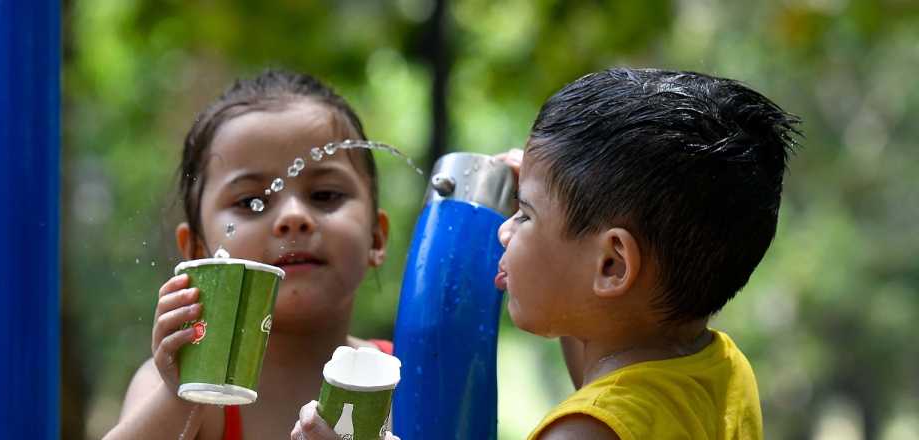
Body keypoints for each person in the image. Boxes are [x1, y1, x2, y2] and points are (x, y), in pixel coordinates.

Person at [294, 67, 800, 439]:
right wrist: (545, 195)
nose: (502, 233)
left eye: (524, 215)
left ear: (611, 265)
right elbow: (608, 371)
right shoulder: (718, 371)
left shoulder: (580, 435)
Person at [105, 69, 395, 440]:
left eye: (325, 195)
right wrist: (180, 396)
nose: (293, 217)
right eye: (250, 202)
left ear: (376, 237)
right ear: (198, 250)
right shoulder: (179, 390)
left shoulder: (409, 378)